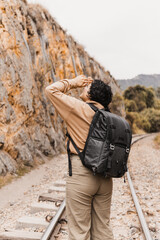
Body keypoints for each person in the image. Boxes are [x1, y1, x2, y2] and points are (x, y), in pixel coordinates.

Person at [45, 75, 114, 240]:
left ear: (91, 95)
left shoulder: (77, 108)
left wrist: (73, 83)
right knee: (103, 230)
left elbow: (51, 90)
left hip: (82, 174)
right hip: (105, 179)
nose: (84, 88)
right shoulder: (111, 118)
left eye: (87, 88)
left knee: (79, 231)